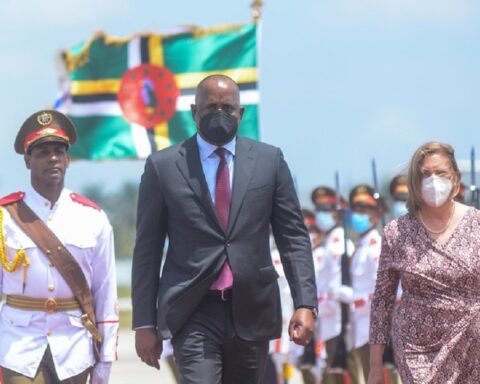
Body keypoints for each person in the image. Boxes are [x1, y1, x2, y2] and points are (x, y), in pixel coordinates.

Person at [131, 74, 317, 384]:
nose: (220, 114)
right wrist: (144, 322)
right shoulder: (163, 167)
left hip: (251, 307)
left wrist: (305, 303)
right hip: (192, 309)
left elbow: (293, 238)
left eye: (228, 108)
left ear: (241, 114)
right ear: (194, 112)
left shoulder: (269, 161)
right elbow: (147, 250)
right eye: (211, 107)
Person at [0, 110, 118, 383]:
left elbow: (105, 294)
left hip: (73, 346)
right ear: (28, 160)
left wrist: (105, 361)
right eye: (42, 152)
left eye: (58, 151)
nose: (52, 158)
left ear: (67, 159)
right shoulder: (6, 216)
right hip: (19, 344)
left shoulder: (92, 217)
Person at [368, 141, 480, 384]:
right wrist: (375, 366)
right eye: (425, 175)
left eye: (440, 173)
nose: (434, 181)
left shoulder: (477, 225)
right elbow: (382, 301)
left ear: (455, 178)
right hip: (416, 347)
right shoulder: (397, 232)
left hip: (472, 346)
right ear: (415, 183)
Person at [339, 185, 382, 384]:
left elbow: (381, 291)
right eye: (355, 210)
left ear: (375, 215)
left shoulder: (376, 246)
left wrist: (353, 299)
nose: (359, 215)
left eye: (364, 210)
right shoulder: (361, 246)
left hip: (374, 330)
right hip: (361, 328)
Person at [312, 186, 354, 384]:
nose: (322, 215)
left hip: (340, 319)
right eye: (319, 209)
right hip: (328, 319)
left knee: (345, 374)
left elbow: (339, 282)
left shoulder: (339, 240)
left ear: (338, 214)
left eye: (327, 210)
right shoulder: (329, 241)